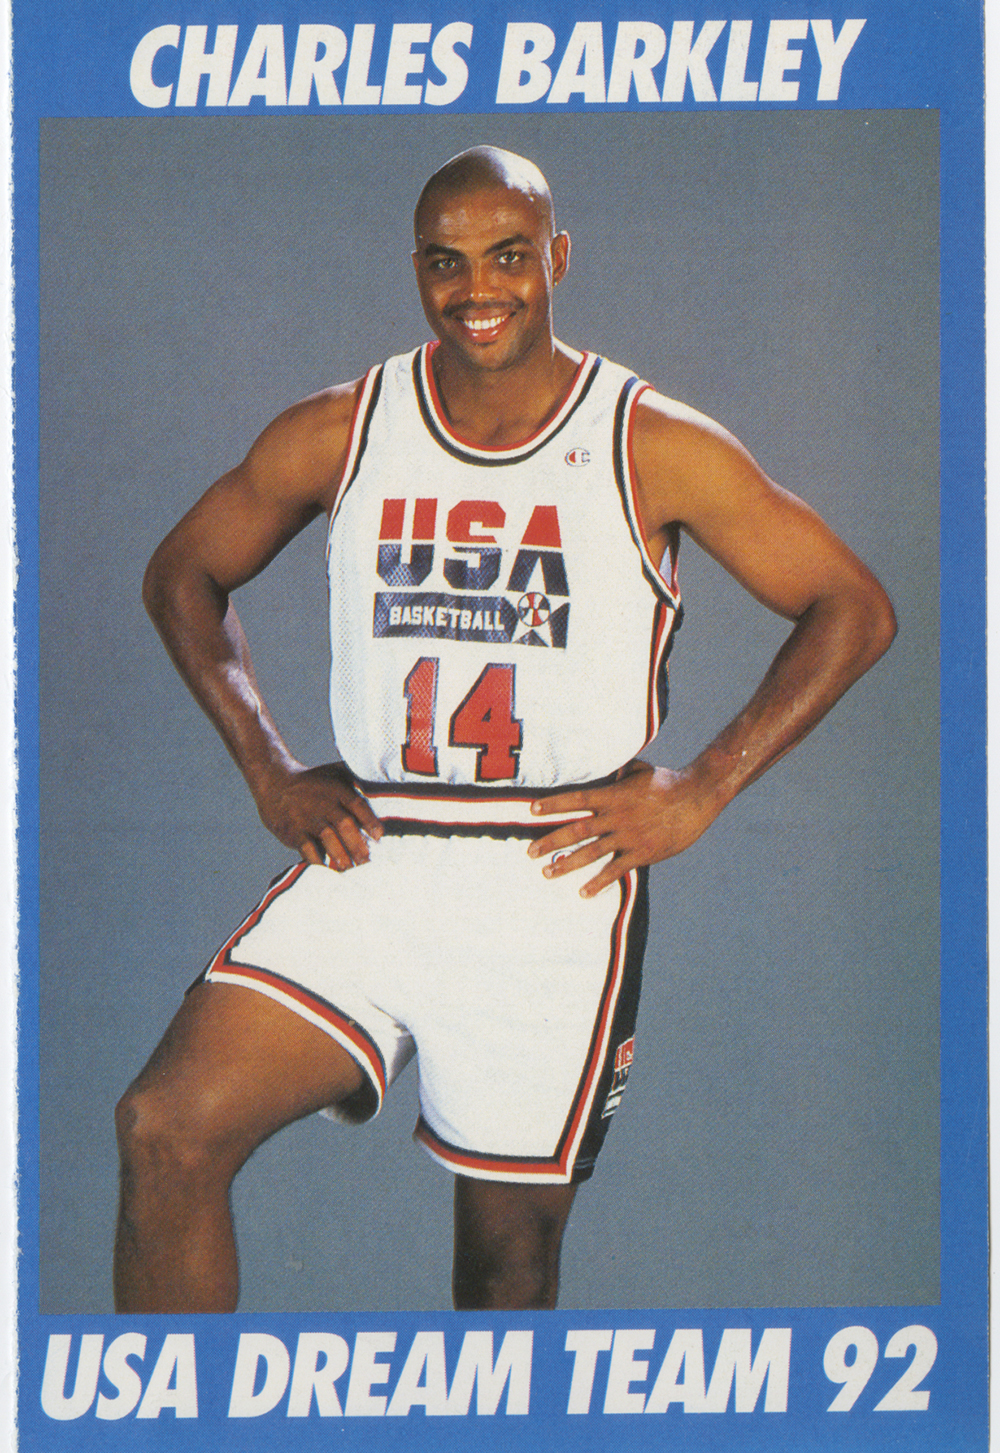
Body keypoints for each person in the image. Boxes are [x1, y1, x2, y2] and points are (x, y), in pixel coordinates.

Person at [113, 145, 896, 1313]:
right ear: (415, 271)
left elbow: (852, 606)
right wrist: (267, 767)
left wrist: (704, 785)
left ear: (556, 260)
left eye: (507, 256)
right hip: (376, 852)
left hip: (551, 878)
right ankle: (174, 1416)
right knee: (164, 1128)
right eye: (446, 262)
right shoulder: (342, 427)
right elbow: (182, 572)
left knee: (505, 1266)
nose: (476, 288)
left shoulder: (647, 439)